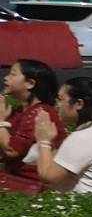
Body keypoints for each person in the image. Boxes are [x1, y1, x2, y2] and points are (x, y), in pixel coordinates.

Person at [31, 77, 92, 194]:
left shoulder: (84, 138)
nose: (56, 105)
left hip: (80, 207)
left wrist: (44, 141)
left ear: (78, 104)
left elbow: (48, 175)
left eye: (60, 99)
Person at [0, 59, 65, 193]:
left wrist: (1, 120)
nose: (6, 78)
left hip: (33, 184)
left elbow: (11, 150)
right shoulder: (20, 111)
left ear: (30, 83)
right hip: (15, 178)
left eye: (12, 74)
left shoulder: (40, 112)